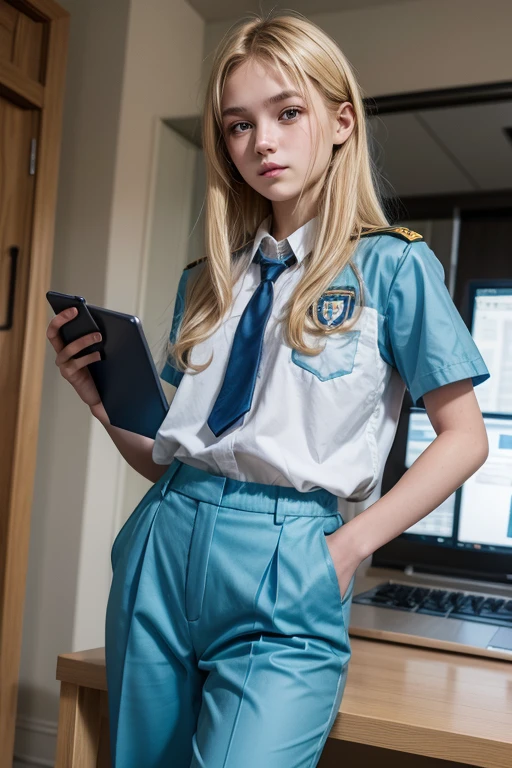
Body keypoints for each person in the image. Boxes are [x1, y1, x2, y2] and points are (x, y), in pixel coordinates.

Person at [46, 11, 490, 768]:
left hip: (293, 553)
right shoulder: (207, 279)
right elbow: (169, 458)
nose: (263, 142)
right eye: (238, 125)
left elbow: (466, 438)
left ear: (341, 121)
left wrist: (347, 549)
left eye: (288, 113)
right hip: (166, 534)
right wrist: (99, 402)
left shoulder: (391, 269)